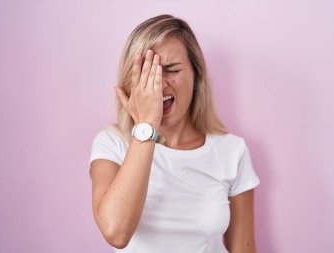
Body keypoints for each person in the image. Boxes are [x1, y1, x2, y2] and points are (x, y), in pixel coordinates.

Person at [89, 14, 260, 253]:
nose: (158, 83)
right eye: (147, 73)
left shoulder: (232, 151)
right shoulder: (111, 143)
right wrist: (147, 126)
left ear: (196, 75)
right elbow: (116, 232)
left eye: (171, 70)